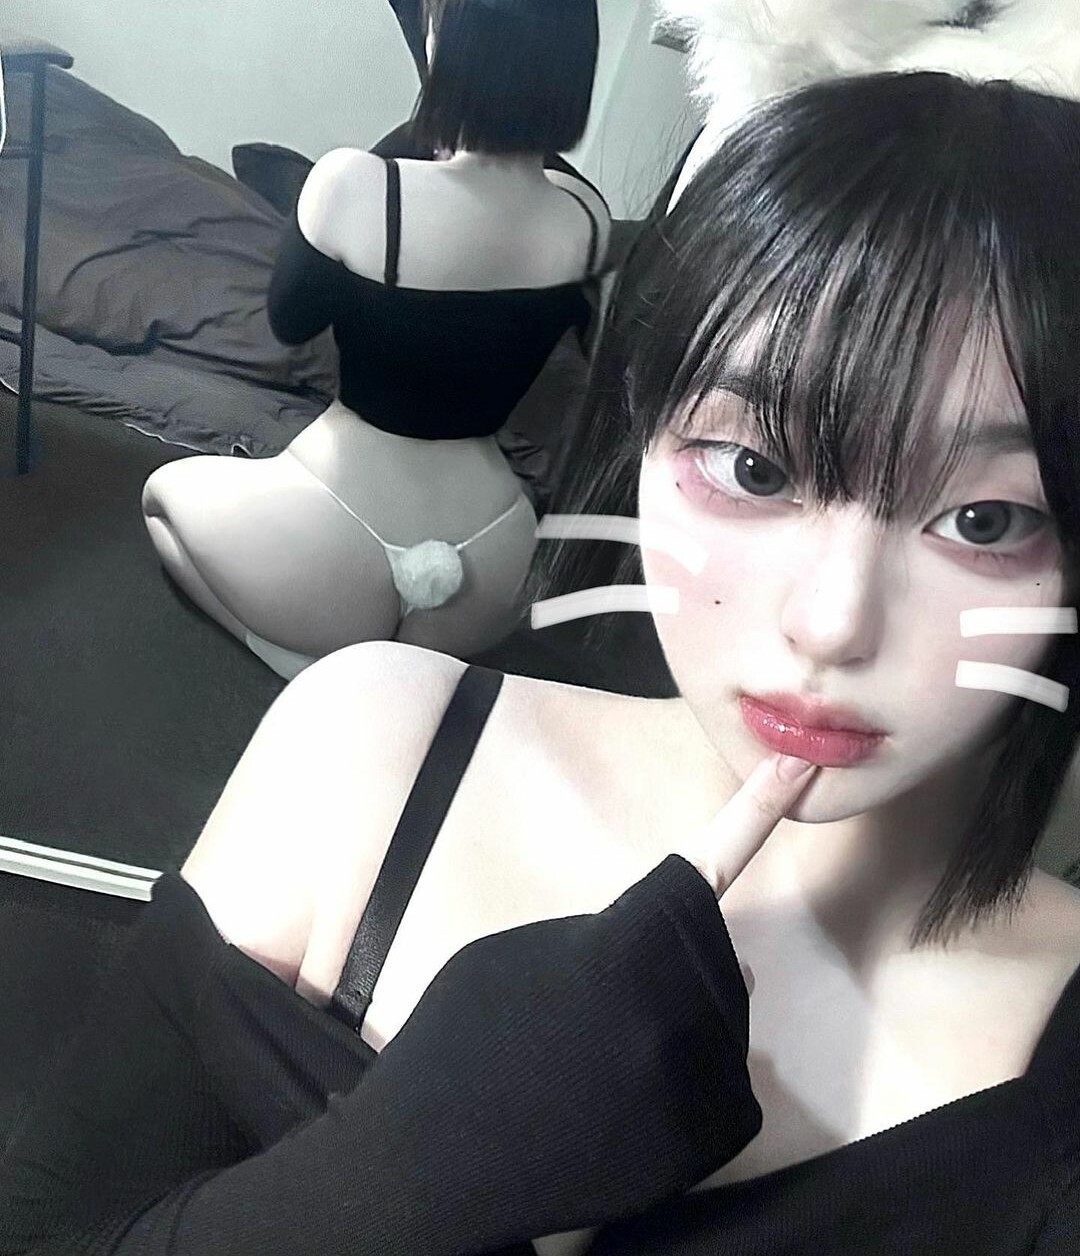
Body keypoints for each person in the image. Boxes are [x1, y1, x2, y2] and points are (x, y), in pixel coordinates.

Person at [3, 71, 1079, 1255]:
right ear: (645, 429)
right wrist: (399, 1176)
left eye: (985, 521)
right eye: (755, 469)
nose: (830, 625)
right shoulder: (369, 744)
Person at [141, 0, 611, 682]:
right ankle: (400, 670)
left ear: (445, 46)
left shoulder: (354, 184)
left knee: (162, 497)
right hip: (495, 560)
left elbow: (290, 320)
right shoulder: (586, 217)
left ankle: (313, 670)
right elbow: (494, 136)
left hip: (337, 527)